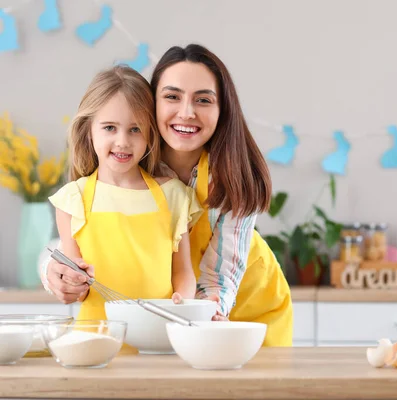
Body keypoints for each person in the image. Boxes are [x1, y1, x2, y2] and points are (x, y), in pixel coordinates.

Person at [41, 44, 293, 346]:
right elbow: (85, 240)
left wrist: (200, 315)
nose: (186, 113)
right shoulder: (129, 162)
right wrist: (52, 272)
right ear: (151, 104)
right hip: (174, 323)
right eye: (172, 96)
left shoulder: (233, 173)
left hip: (247, 315)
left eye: (203, 100)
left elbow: (219, 278)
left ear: (222, 109)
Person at [46, 65, 200, 322]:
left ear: (150, 133)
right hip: (96, 339)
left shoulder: (174, 196)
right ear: (89, 129)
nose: (123, 142)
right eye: (109, 128)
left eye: (135, 129)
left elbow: (183, 273)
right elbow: (77, 284)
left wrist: (182, 304)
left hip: (158, 335)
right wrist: (73, 282)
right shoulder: (73, 199)